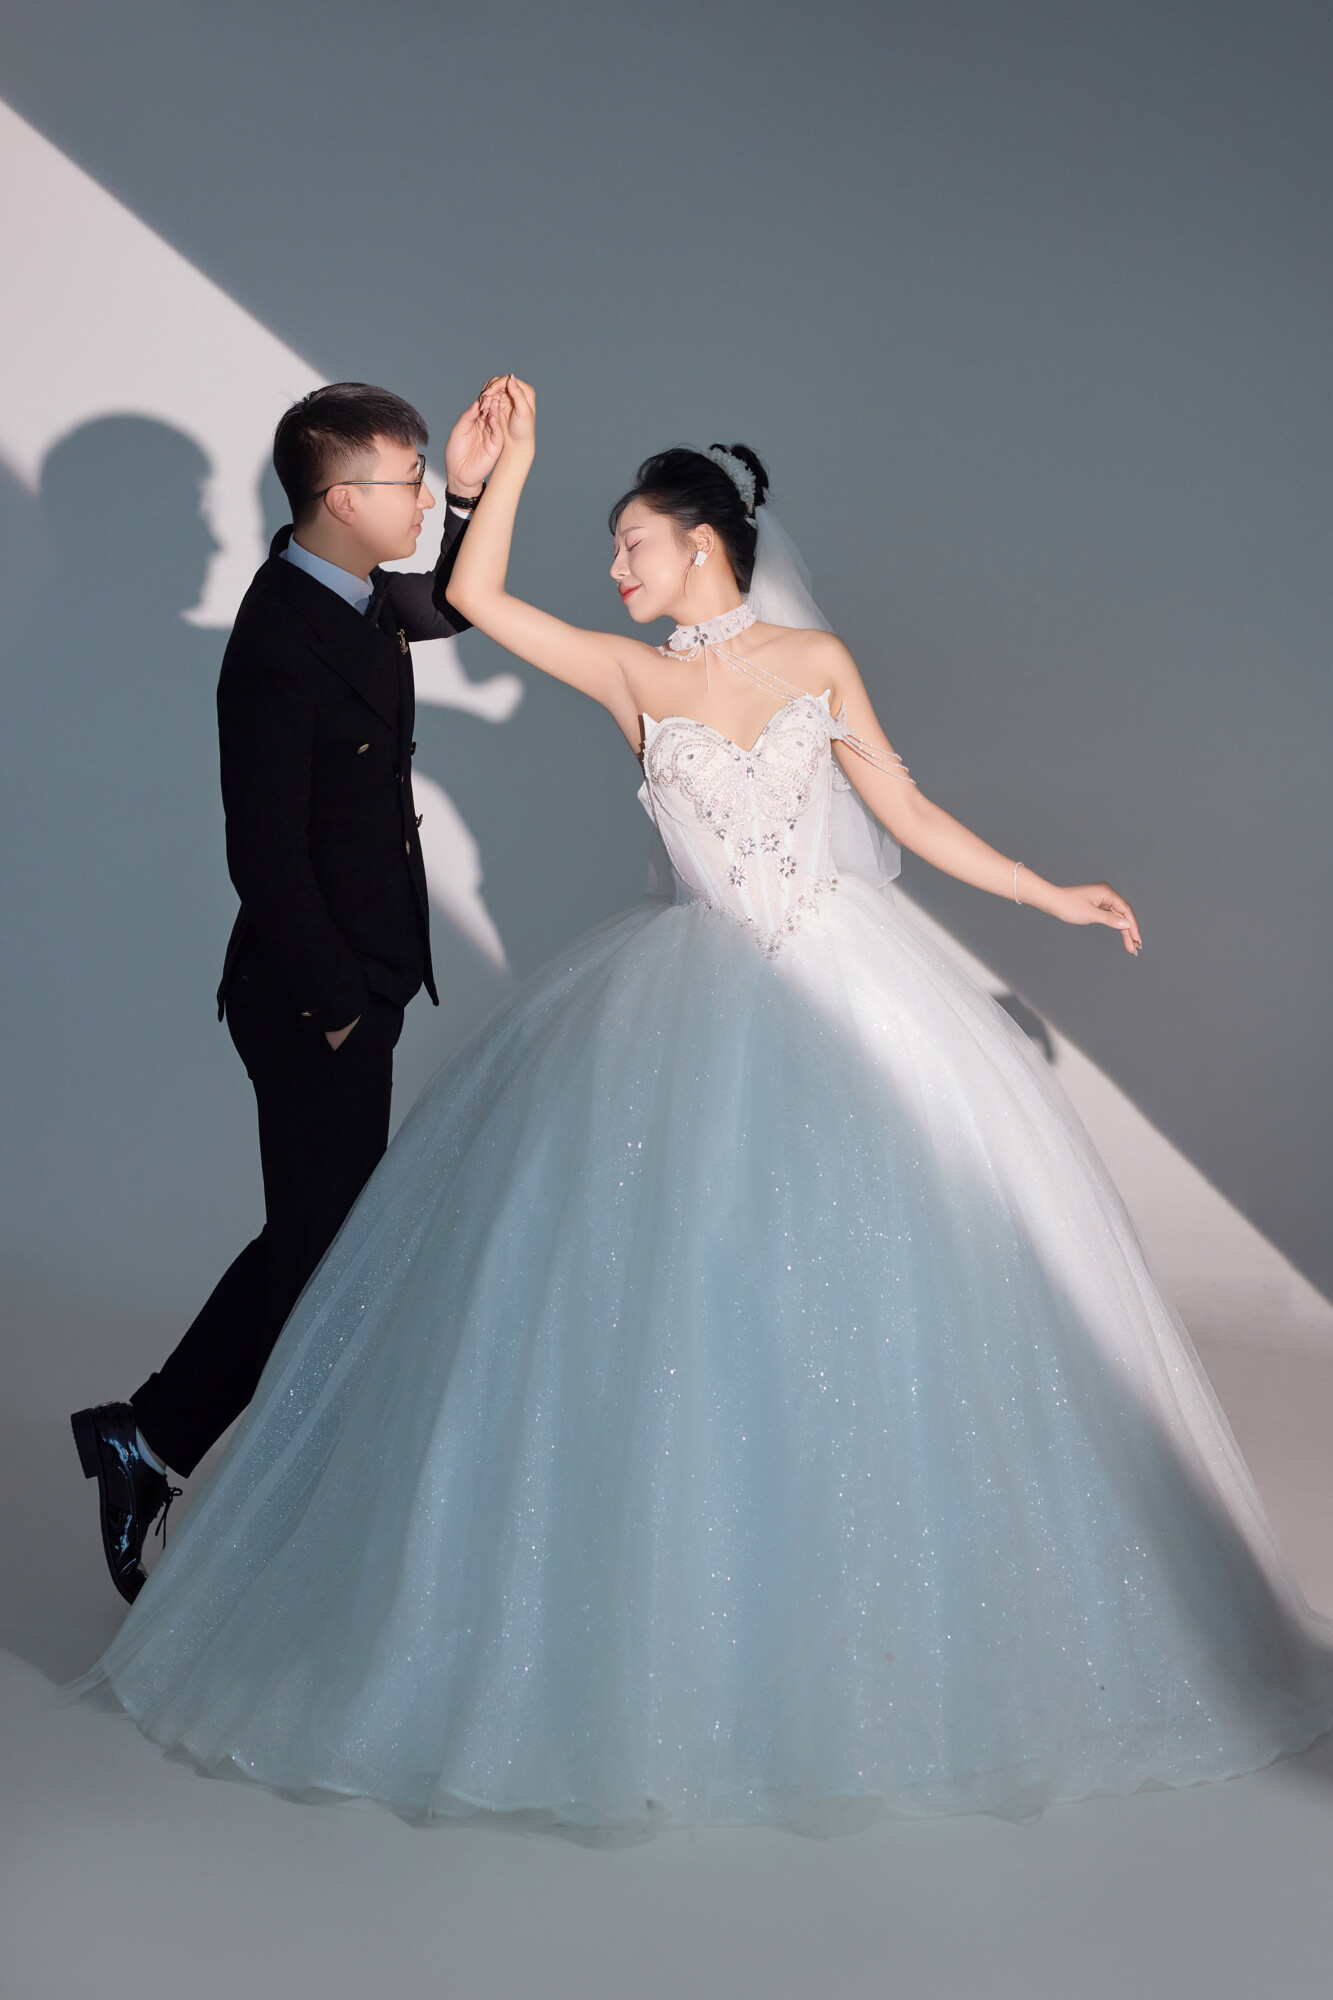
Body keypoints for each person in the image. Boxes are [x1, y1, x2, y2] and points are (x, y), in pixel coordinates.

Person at [75, 378, 1333, 1830]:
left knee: (889, 1290)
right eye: (612, 546)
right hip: (664, 1008)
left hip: (844, 986)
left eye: (632, 542)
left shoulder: (816, 661)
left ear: (704, 544)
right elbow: (468, 598)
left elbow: (905, 811)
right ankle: (202, 1460)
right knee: (606, 1290)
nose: (614, 567)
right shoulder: (627, 673)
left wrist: (1047, 892)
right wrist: (510, 467)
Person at [71, 381, 504, 1602]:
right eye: (409, 479)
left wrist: (469, 493)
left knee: (321, 1244)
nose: (419, 497)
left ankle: (148, 1440)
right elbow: (260, 855)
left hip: (358, 983)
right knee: (327, 1263)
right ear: (342, 499)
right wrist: (337, 1003)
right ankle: (201, 1473)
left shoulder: (355, 594)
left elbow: (453, 603)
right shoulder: (276, 639)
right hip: (312, 999)